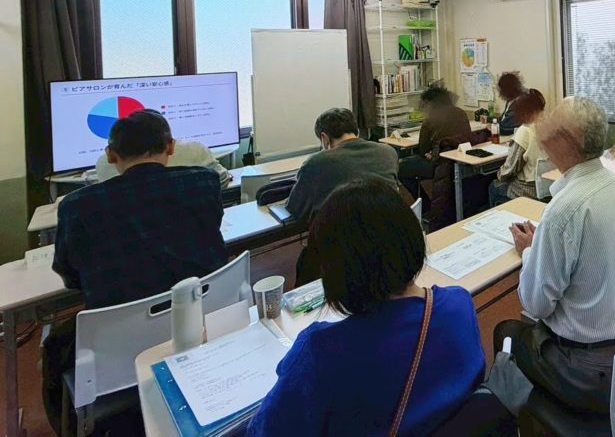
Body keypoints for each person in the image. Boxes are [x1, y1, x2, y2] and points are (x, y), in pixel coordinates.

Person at [248, 181, 486, 436]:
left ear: (335, 273)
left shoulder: (320, 353)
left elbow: (264, 431)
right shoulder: (459, 304)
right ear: (414, 240)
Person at [46, 110, 226, 433]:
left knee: (54, 346)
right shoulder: (203, 182)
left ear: (111, 154)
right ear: (170, 147)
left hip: (119, 346)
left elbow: (71, 277)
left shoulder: (77, 207)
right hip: (201, 320)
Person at [493, 97, 615, 414]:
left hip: (591, 367)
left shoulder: (563, 212)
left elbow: (536, 305)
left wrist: (529, 252)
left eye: (552, 122)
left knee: (507, 332)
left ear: (567, 142)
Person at [287, 107, 400, 225]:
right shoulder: (388, 152)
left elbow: (295, 209)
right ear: (357, 131)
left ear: (324, 138)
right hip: (389, 226)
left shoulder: (316, 162)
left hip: (343, 232)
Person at [398, 83, 472, 201]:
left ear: (430, 103)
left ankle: (424, 204)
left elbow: (423, 150)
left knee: (401, 167)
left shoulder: (430, 119)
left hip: (440, 163)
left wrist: (431, 153)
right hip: (461, 158)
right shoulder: (461, 112)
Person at [489, 88, 546, 207]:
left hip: (527, 189)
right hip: (548, 186)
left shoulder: (525, 130)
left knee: (493, 186)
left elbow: (510, 168)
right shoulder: (551, 125)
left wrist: (499, 175)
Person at [95, 139, 231, 186]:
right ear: (170, 147)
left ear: (110, 155)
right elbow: (222, 180)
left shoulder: (90, 201)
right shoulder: (206, 181)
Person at [496, 71, 527, 136]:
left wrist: (494, 127)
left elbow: (508, 128)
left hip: (511, 137)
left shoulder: (518, 104)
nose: (499, 92)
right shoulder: (510, 101)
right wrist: (488, 119)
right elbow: (503, 119)